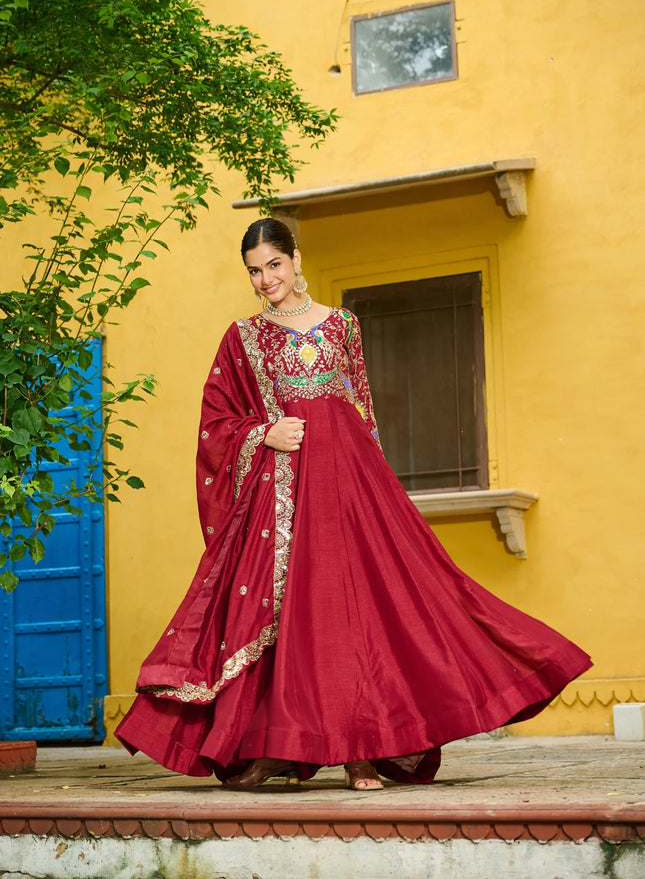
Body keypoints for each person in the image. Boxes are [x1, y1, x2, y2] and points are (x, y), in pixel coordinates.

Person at [115, 217, 592, 791]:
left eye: (273, 265)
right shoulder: (241, 337)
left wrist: (375, 490)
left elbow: (362, 408)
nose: (266, 280)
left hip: (349, 480)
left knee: (359, 609)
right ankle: (275, 743)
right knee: (295, 614)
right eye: (254, 271)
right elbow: (215, 422)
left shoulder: (342, 324)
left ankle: (362, 751)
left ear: (295, 260)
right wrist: (262, 435)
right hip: (283, 492)